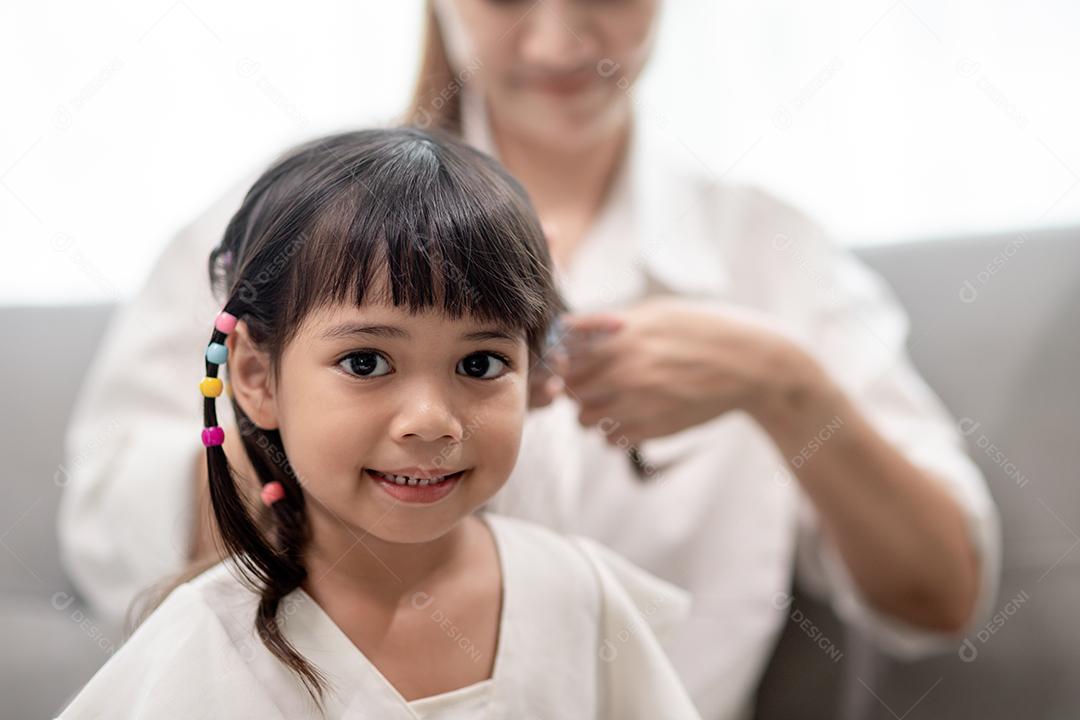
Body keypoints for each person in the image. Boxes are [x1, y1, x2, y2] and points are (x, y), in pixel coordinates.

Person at [60, 2, 1000, 717]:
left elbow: (941, 599)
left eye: (481, 363)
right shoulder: (284, 224)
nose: (558, 44)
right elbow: (115, 528)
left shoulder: (770, 255)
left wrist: (785, 389)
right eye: (365, 360)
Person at [57, 128, 701, 719]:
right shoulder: (202, 644)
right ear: (256, 377)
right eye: (366, 362)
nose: (430, 422)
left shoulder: (580, 597)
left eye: (480, 363)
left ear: (533, 375)